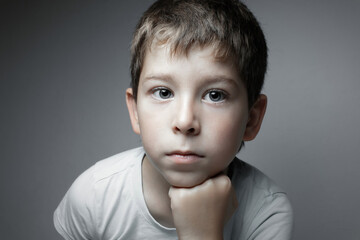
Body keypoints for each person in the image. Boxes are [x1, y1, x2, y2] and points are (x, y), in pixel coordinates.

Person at [53, 0, 293, 239]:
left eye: (215, 95)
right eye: (164, 92)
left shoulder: (265, 212)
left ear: (251, 120)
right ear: (135, 111)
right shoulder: (93, 196)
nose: (185, 121)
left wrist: (201, 233)